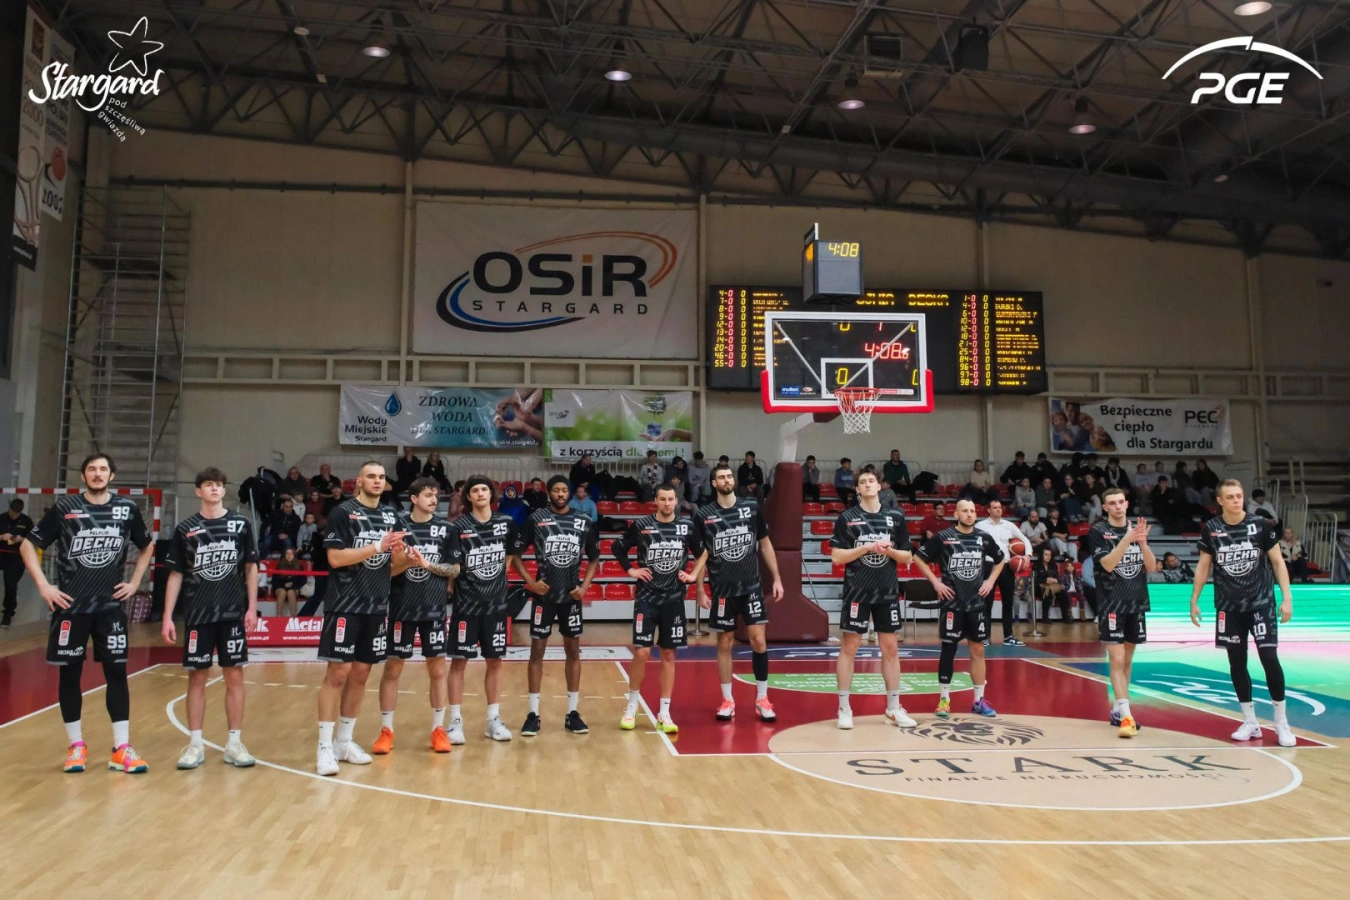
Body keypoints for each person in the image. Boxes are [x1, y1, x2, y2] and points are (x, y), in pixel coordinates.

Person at [19, 453, 155, 774]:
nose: (97, 473)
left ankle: (121, 749)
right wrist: (44, 586)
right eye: (91, 469)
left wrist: (135, 582)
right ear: (83, 476)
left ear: (112, 475)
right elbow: (27, 545)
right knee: (70, 675)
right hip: (71, 607)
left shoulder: (127, 509)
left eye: (103, 469)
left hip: (110, 607)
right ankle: (76, 746)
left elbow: (147, 545)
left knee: (117, 673)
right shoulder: (66, 508)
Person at [161, 467, 260, 769]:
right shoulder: (185, 529)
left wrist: (252, 607)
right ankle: (195, 745)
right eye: (208, 484)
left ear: (223, 490)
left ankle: (234, 743)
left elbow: (251, 567)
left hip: (232, 614)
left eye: (218, 484)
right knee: (197, 678)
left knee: (234, 676)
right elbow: (176, 574)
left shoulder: (241, 525)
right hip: (198, 614)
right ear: (198, 491)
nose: (214, 489)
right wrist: (167, 616)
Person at [315, 460, 406, 775]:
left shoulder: (392, 516)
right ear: (358, 481)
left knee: (362, 673)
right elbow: (335, 558)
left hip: (376, 605)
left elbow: (390, 567)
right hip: (344, 603)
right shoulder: (343, 512)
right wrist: (377, 545)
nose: (377, 481)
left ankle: (344, 741)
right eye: (371, 476)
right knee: (338, 673)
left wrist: (406, 560)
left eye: (381, 477)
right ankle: (324, 747)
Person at [1190, 480, 1296, 747]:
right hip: (1229, 608)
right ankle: (1250, 722)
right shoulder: (1211, 529)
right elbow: (1203, 566)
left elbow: (1277, 562)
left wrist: (1287, 598)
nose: (1236, 500)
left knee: (1269, 658)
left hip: (1261, 604)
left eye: (1239, 495)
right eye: (1230, 497)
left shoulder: (1261, 525)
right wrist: (1194, 599)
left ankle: (1281, 723)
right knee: (1237, 664)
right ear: (1220, 501)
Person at [371, 477, 458, 756]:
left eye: (436, 495)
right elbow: (384, 572)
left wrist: (426, 563)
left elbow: (454, 569)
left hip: (433, 609)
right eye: (428, 495)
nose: (434, 499)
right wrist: (404, 563)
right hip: (401, 608)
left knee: (438, 670)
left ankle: (438, 729)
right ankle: (386, 730)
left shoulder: (447, 529)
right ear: (414, 499)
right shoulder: (397, 529)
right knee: (392, 670)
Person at [694, 464, 785, 722]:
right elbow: (701, 556)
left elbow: (765, 544)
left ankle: (762, 698)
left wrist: (777, 578)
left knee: (758, 641)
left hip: (751, 587)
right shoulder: (704, 515)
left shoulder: (752, 507)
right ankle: (727, 700)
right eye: (721, 477)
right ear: (714, 483)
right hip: (722, 590)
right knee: (724, 643)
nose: (726, 480)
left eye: (729, 476)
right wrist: (700, 589)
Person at [515, 476, 601, 737]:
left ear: (569, 493)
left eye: (564, 490)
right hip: (544, 598)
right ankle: (533, 714)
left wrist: (584, 587)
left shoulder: (583, 520)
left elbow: (594, 558)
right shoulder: (536, 519)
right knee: (536, 653)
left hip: (571, 598)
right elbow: (514, 554)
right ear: (549, 493)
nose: (560, 494)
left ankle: (572, 713)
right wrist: (531, 582)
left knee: (573, 652)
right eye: (556, 490)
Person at [616, 484, 704, 733]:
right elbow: (617, 547)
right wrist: (631, 570)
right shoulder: (642, 524)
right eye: (662, 499)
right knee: (642, 652)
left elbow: (703, 552)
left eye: (670, 499)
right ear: (655, 501)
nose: (667, 503)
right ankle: (632, 705)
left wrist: (693, 575)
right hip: (646, 599)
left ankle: (664, 712)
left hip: (674, 601)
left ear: (676, 501)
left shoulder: (687, 526)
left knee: (668, 655)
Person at [831, 471, 915, 729]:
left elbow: (907, 556)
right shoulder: (847, 518)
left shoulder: (896, 516)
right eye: (862, 482)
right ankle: (844, 708)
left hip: (887, 592)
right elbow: (837, 557)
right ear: (857, 489)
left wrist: (890, 551)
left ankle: (893, 708)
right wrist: (866, 548)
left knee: (890, 649)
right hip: (857, 591)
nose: (867, 485)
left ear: (879, 486)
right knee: (849, 649)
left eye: (871, 481)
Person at [447, 477, 525, 744]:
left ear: (491, 494)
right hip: (466, 607)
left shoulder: (507, 523)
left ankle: (493, 720)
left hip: (495, 607)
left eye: (484, 489)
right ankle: (455, 722)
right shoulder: (458, 527)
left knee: (495, 661)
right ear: (468, 497)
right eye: (475, 490)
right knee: (459, 663)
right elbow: (453, 568)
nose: (480, 493)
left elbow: (509, 557)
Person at [913, 498, 1004, 719]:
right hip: (952, 603)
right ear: (956, 514)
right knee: (948, 650)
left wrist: (990, 581)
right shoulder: (943, 537)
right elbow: (918, 558)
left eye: (972, 511)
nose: (969, 514)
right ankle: (944, 699)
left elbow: (1001, 559)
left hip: (976, 604)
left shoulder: (983, 537)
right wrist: (936, 583)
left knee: (978, 651)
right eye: (965, 511)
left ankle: (978, 700)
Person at [1090, 487, 1156, 738]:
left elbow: (1151, 566)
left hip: (1136, 602)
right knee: (1116, 659)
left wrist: (1142, 542)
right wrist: (1126, 540)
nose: (1117, 506)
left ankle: (1118, 710)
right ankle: (1127, 716)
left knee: (1127, 660)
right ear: (1105, 507)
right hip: (1111, 604)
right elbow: (1107, 564)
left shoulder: (1136, 529)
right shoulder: (1098, 531)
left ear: (1126, 504)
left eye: (1120, 502)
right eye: (1112, 503)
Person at [976, 499, 1027, 646]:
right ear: (988, 510)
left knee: (1008, 602)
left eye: (1000, 507)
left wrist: (1028, 556)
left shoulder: (1009, 525)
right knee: (986, 603)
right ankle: (985, 636)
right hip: (988, 566)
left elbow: (1025, 540)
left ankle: (1008, 636)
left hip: (1006, 566)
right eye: (995, 507)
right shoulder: (980, 526)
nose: (998, 509)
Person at [1, 498, 34, 628]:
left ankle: (8, 614)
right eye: (12, 512)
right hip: (1, 552)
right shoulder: (2, 518)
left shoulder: (26, 521)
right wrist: (2, 537)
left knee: (10, 584)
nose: (13, 515)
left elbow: (33, 539)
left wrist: (21, 539)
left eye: (16, 514)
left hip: (15, 556)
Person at [1032, 546, 1069, 625]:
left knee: (1063, 593)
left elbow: (1057, 578)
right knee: (1047, 592)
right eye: (1046, 554)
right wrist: (1045, 580)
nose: (1048, 556)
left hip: (1053, 586)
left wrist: (1055, 580)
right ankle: (1045, 617)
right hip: (1039, 587)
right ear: (1042, 555)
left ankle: (1065, 617)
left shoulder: (1054, 565)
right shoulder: (1036, 565)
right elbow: (1035, 579)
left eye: (1049, 555)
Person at [272, 547, 304, 617]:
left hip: (294, 588)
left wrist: (293, 585)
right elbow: (274, 580)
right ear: (284, 555)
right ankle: (278, 616)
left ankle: (293, 617)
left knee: (290, 592)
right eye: (287, 554)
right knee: (282, 592)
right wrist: (284, 585)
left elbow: (302, 580)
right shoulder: (280, 565)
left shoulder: (299, 566)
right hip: (280, 587)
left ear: (294, 555)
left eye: (291, 554)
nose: (289, 556)